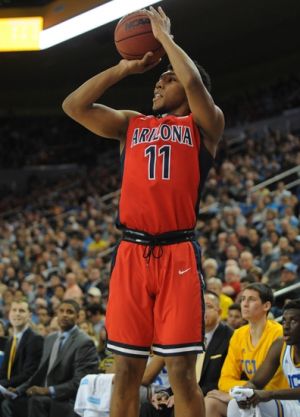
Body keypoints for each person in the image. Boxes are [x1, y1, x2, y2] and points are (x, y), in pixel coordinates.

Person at [62, 6, 224, 417]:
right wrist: (123, 68)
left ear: (190, 92)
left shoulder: (204, 125)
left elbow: (190, 79)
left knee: (182, 372)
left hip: (178, 254)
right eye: (159, 77)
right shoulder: (131, 124)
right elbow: (73, 106)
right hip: (132, 253)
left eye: (167, 78)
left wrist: (166, 38)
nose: (159, 81)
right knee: (126, 371)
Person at [139, 291, 233, 417]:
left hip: (209, 396)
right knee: (149, 408)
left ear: (220, 312)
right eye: (199, 306)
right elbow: (181, 375)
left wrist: (183, 395)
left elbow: (220, 381)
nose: (203, 310)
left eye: (209, 306)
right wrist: (166, 393)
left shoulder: (230, 338)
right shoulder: (186, 335)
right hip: (182, 394)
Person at [204, 283, 288, 417]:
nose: (245, 304)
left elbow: (272, 385)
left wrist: (238, 392)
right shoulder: (238, 335)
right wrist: (242, 391)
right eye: (243, 299)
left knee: (233, 403)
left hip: (279, 399)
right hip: (253, 394)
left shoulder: (279, 335)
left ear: (266, 306)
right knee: (210, 402)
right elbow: (225, 380)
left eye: (251, 299)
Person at [3, 299, 99, 417]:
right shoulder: (50, 338)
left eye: (69, 312)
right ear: (56, 315)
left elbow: (80, 382)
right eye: (61, 311)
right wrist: (18, 390)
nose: (64, 314)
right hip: (47, 398)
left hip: (70, 401)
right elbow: (39, 373)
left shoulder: (84, 342)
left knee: (36, 401)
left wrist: (48, 390)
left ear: (78, 317)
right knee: (8, 402)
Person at [228, 298, 300, 416]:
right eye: (284, 321)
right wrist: (244, 393)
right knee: (236, 404)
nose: (286, 327)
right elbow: (256, 382)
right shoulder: (280, 345)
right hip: (295, 406)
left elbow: (269, 394)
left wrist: (270, 394)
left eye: (293, 321)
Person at [0, 299, 43, 416]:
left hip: (23, 392)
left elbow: (28, 374)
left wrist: (3, 384)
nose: (17, 313)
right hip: (7, 388)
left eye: (22, 311)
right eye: (14, 310)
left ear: (29, 316)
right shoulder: (11, 340)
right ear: (9, 314)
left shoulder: (35, 339)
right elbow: (4, 371)